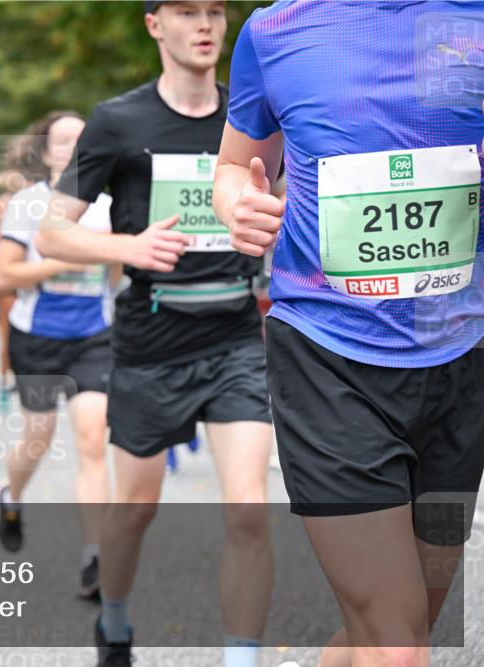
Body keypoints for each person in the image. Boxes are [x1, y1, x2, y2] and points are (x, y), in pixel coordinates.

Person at [214, 2, 484, 665]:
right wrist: (239, 206)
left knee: (403, 626)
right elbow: (234, 165)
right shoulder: (275, 31)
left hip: (460, 359)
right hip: (327, 359)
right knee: (396, 646)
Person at [35, 3, 274, 665]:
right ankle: (113, 621)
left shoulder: (251, 115)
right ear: (154, 25)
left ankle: (241, 658)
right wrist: (128, 246)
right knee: (136, 509)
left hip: (234, 335)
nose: (206, 25)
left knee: (249, 508)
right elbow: (51, 233)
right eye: (187, 11)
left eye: (216, 11)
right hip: (151, 340)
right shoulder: (118, 121)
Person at [0, 110, 114, 599]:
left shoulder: (108, 206)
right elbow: (4, 276)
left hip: (94, 336)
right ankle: (11, 497)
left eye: (81, 140)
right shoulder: (27, 204)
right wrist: (64, 259)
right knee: (38, 439)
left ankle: (95, 556)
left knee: (92, 440)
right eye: (62, 141)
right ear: (45, 153)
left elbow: (118, 273)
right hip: (37, 337)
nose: (72, 148)